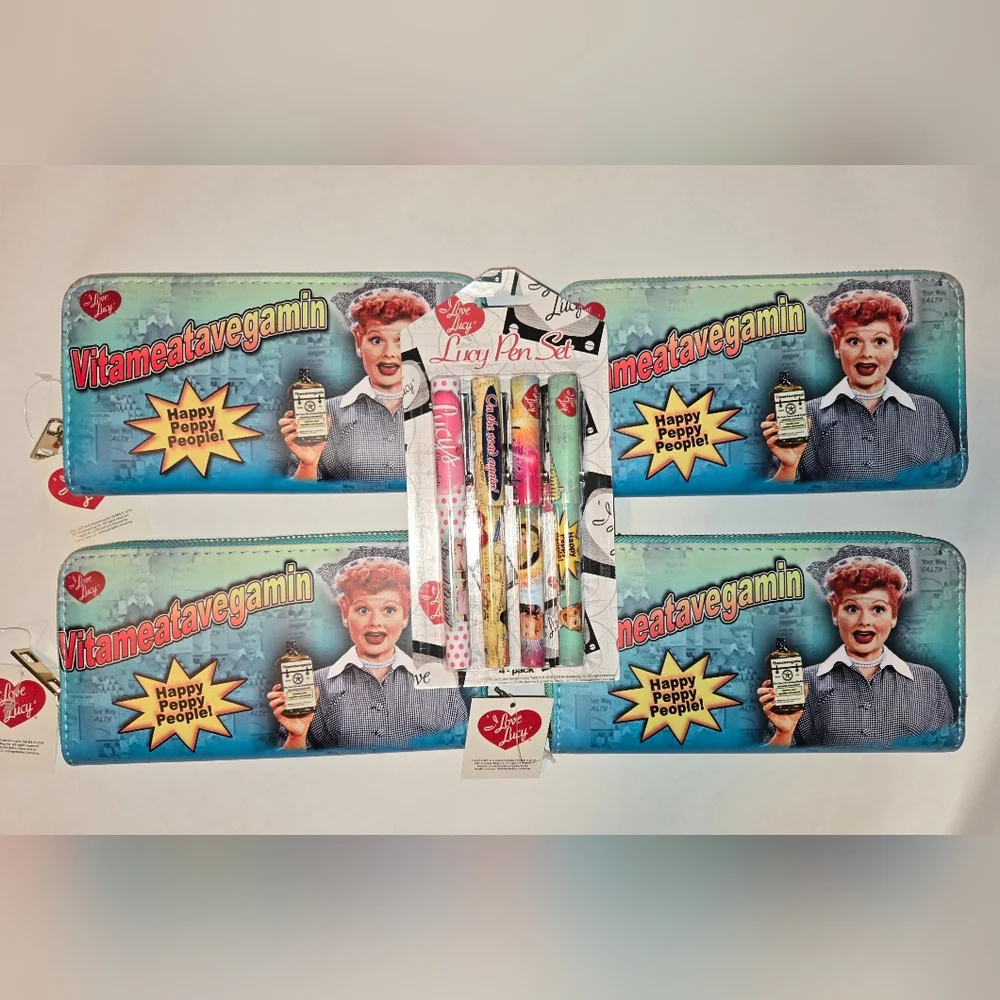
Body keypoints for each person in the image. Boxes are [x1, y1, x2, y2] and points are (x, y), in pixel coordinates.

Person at [268, 552, 468, 750]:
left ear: (405, 616)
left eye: (389, 610)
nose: (375, 622)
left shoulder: (439, 681)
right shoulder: (314, 686)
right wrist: (297, 735)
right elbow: (288, 767)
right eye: (363, 610)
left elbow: (462, 753)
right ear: (345, 614)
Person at [761, 289, 956, 481]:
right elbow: (775, 496)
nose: (866, 353)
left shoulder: (930, 412)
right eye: (854, 341)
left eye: (880, 341)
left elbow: (948, 486)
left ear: (895, 347)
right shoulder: (805, 416)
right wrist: (788, 466)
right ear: (837, 346)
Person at [758, 556, 954, 747]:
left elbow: (947, 755)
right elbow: (770, 764)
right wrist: (783, 733)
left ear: (894, 615)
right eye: (852, 609)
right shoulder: (802, 683)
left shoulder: (928, 681)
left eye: (878, 609)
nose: (864, 621)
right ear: (835, 613)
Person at [280, 288, 429, 484]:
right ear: (359, 340)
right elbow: (295, 497)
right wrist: (308, 465)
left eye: (402, 341)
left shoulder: (442, 410)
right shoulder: (324, 414)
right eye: (376, 340)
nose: (389, 353)